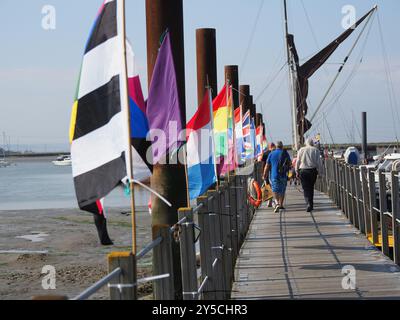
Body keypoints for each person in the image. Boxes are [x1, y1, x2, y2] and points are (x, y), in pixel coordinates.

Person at [263, 141, 291, 213]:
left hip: (274, 175)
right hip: (283, 175)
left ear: (276, 146)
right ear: (282, 146)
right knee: (282, 189)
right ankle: (281, 204)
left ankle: (277, 203)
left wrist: (264, 174)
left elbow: (267, 165)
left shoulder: (271, 153)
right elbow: (290, 164)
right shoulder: (285, 153)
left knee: (275, 190)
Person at [296, 138, 323, 212]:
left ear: (306, 143)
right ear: (312, 143)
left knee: (305, 188)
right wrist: (320, 173)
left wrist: (296, 171)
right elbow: (319, 162)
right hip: (313, 171)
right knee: (311, 188)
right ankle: (311, 204)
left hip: (303, 171)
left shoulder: (301, 150)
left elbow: (297, 161)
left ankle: (308, 203)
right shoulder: (316, 150)